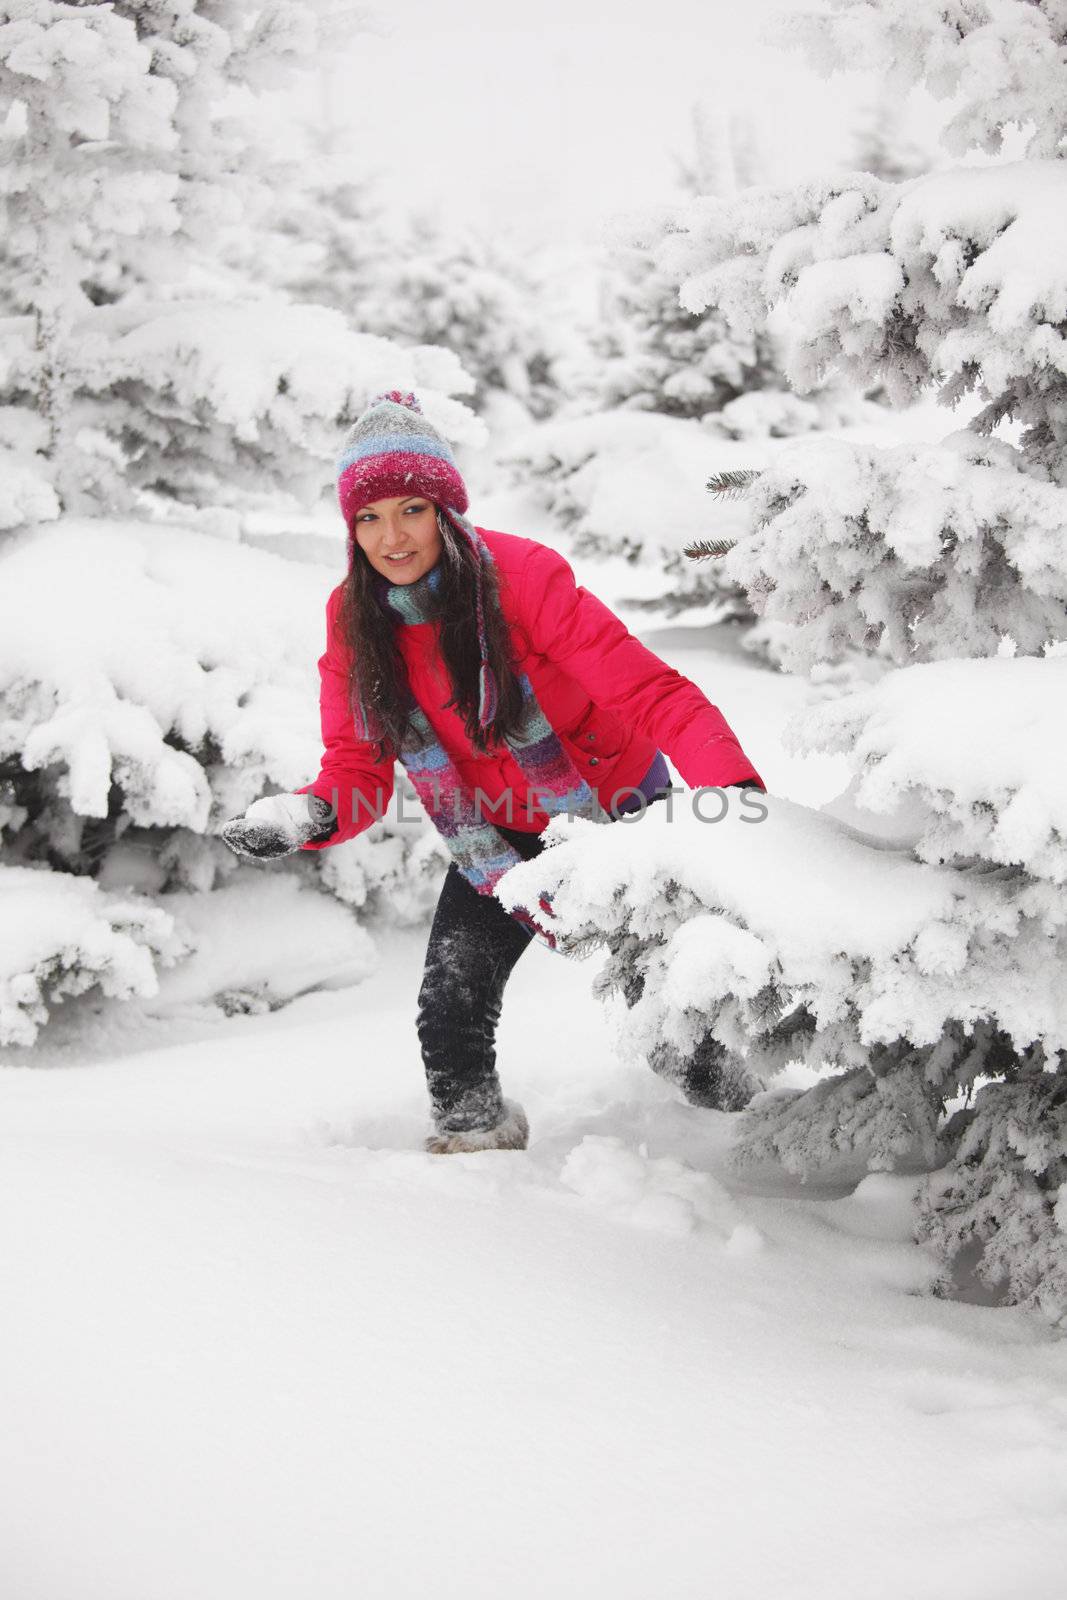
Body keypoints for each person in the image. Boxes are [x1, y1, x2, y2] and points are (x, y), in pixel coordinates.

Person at [222, 391, 766, 1154]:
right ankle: (474, 1148)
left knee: (670, 1005)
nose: (391, 535)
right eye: (368, 518)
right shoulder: (355, 620)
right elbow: (356, 763)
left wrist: (732, 792)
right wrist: (311, 815)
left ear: (444, 509)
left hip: (615, 812)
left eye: (410, 509)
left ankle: (736, 1132)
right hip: (496, 834)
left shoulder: (524, 578)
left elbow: (647, 691)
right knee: (450, 1001)